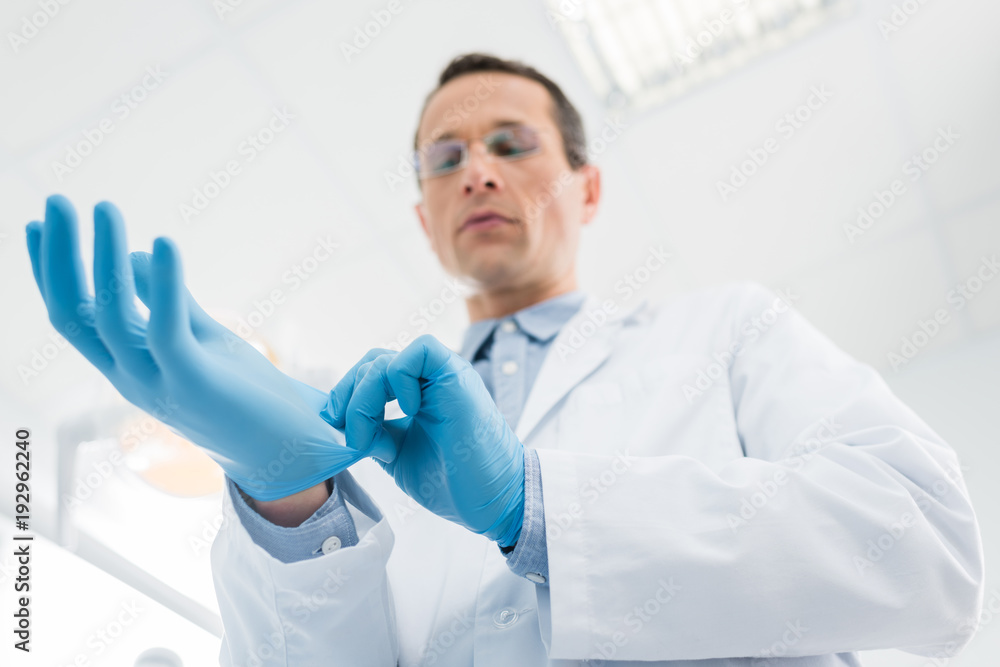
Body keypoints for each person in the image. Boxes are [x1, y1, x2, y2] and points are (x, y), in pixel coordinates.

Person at [26, 53, 984, 666]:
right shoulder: (362, 423)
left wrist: (533, 505)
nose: (475, 170)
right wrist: (289, 507)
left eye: (510, 144)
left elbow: (926, 545)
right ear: (423, 217)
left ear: (587, 184)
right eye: (443, 160)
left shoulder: (724, 333)